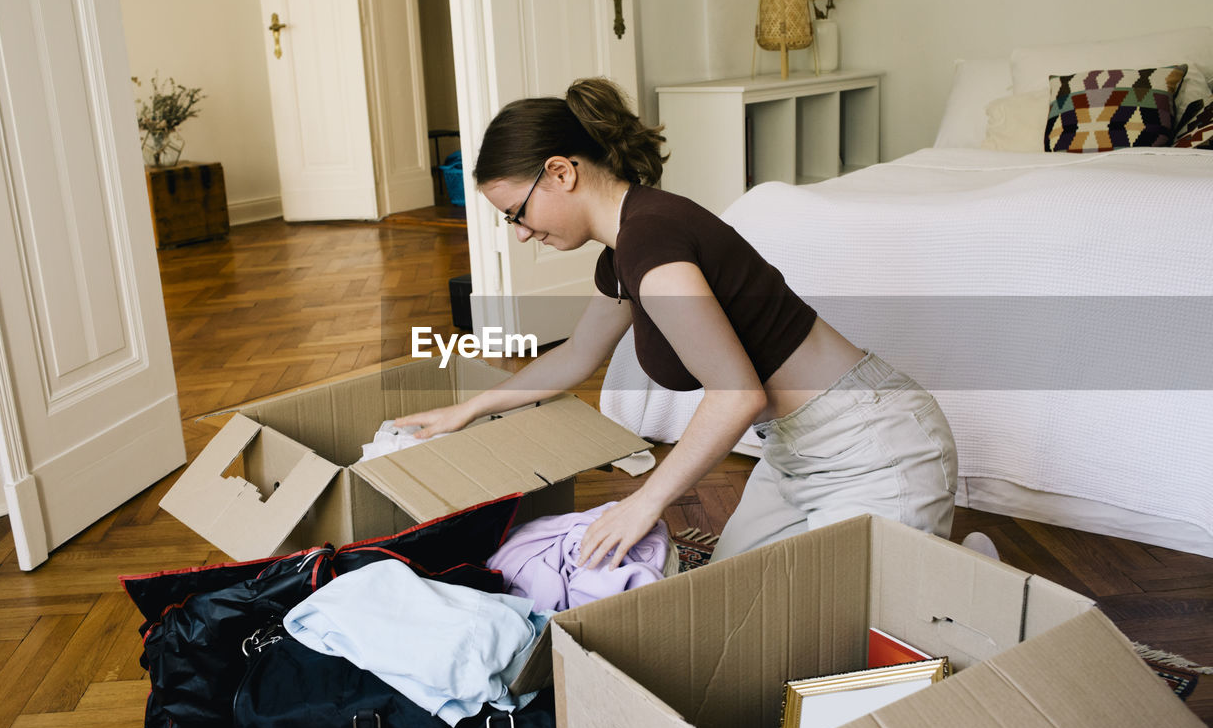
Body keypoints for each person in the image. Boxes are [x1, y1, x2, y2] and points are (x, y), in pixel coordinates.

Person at [394, 78, 957, 569]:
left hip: (873, 447)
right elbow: (575, 356)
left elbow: (736, 396)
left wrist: (645, 501)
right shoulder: (625, 249)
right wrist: (471, 407)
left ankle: (958, 573)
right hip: (794, 451)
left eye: (516, 213)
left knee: (845, 639)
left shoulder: (649, 240)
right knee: (734, 605)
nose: (520, 232)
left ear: (561, 172)